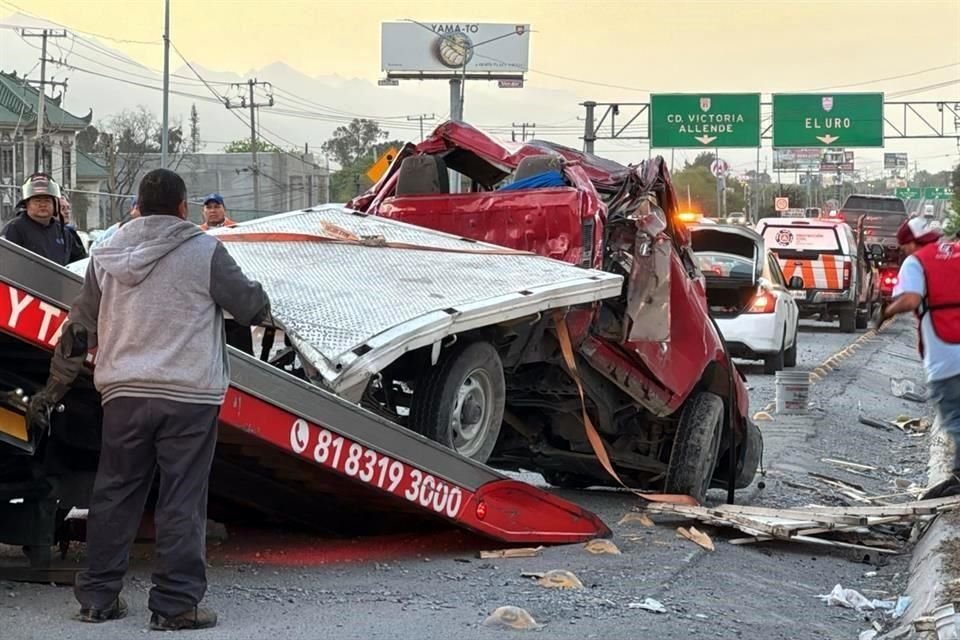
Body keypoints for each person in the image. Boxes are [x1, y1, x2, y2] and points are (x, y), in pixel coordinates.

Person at [28, 168, 271, 630]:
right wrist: (262, 301)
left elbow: (79, 330)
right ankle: (175, 605)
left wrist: (53, 389)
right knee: (181, 498)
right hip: (189, 397)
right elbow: (250, 307)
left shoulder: (106, 253)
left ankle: (98, 598)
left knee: (114, 494)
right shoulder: (205, 250)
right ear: (184, 209)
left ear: (137, 205)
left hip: (123, 394)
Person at [880, 217, 960, 499]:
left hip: (946, 354)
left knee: (954, 416)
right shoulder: (957, 252)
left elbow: (911, 299)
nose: (903, 253)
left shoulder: (917, 262)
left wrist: (888, 310)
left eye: (903, 248)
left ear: (912, 243)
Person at [1, 173, 75, 265]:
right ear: (26, 204)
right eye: (37, 201)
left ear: (55, 205)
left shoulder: (64, 232)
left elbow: (77, 264)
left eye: (47, 200)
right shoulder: (14, 228)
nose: (42, 204)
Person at [60, 196, 88, 263]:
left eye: (68, 208)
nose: (67, 212)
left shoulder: (70, 232)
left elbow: (81, 258)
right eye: (62, 209)